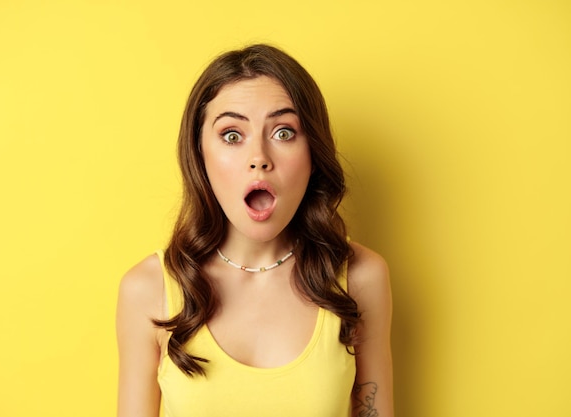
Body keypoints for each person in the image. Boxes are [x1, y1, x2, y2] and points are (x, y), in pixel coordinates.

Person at [116, 44, 393, 417]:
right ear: (200, 155)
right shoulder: (148, 291)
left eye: (283, 132)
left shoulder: (360, 278)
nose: (259, 158)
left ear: (313, 154)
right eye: (232, 135)